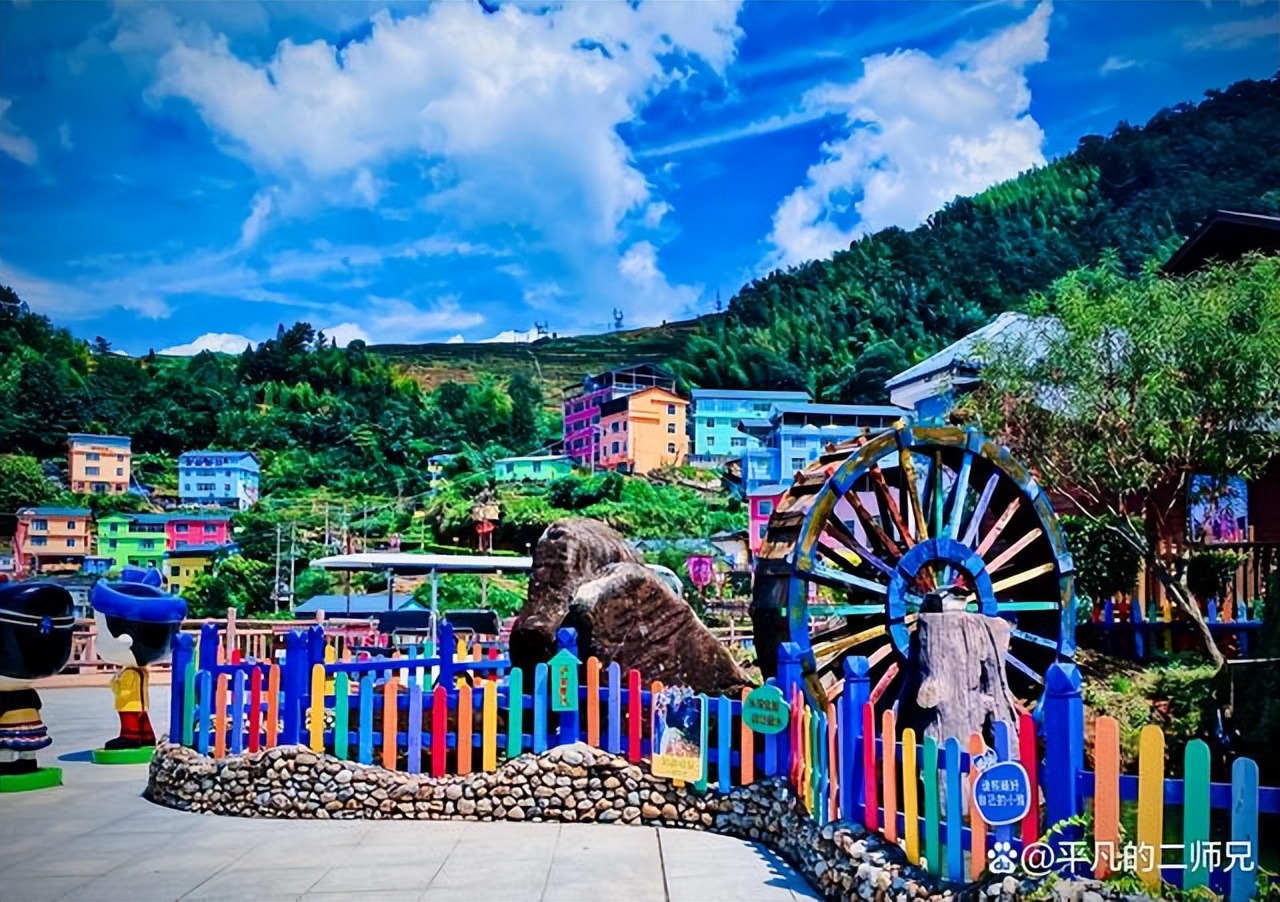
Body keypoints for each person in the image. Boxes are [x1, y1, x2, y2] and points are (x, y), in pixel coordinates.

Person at [90, 580, 187, 750]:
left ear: (124, 640)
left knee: (130, 716)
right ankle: (146, 735)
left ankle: (131, 735)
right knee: (142, 716)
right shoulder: (138, 671)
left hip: (129, 703)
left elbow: (126, 690)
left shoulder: (131, 673)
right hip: (140, 702)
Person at [0, 582, 75, 776]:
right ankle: (28, 761)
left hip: (9, 723)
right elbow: (36, 703)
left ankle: (7, 764)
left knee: (7, 745)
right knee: (25, 745)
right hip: (30, 720)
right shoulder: (27, 692)